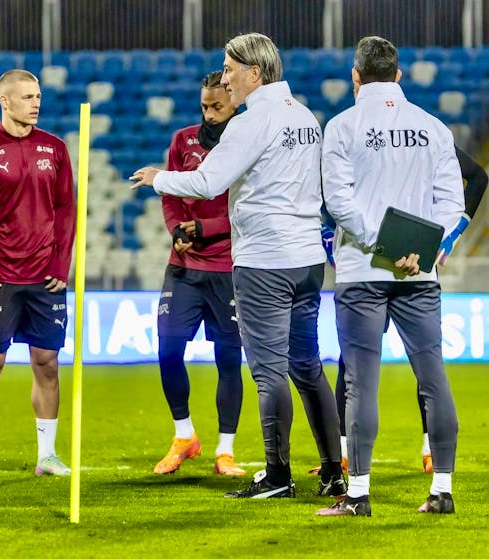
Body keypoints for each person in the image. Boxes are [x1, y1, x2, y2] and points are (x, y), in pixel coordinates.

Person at [130, 32, 345, 499]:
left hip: (265, 261)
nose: (225, 79)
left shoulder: (251, 122)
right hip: (308, 259)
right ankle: (333, 472)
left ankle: (278, 477)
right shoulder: (305, 117)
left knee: (269, 372)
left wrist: (158, 178)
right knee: (307, 366)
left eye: (229, 70)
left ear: (254, 72)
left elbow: (208, 182)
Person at [317, 36, 463, 517]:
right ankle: (442, 490)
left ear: (356, 77)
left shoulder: (342, 126)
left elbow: (338, 202)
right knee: (433, 376)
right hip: (419, 273)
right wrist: (422, 249)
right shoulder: (433, 128)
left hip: (362, 270)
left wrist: (381, 245)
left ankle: (358, 495)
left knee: (360, 381)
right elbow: (452, 204)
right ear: (398, 76)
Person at [0, 69, 75, 480]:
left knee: (47, 363)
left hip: (45, 278)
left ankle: (47, 455)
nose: (36, 103)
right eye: (27, 97)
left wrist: (61, 263)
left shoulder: (55, 149)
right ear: (5, 101)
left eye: (38, 96)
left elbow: (66, 209)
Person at [151, 70, 245, 478]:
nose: (208, 114)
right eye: (204, 106)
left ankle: (225, 450)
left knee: (229, 359)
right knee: (168, 350)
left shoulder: (247, 141)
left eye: (217, 107)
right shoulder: (182, 140)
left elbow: (249, 207)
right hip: (184, 268)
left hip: (229, 267)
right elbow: (170, 194)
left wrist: (206, 228)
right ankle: (184, 434)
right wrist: (177, 230)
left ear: (234, 103)